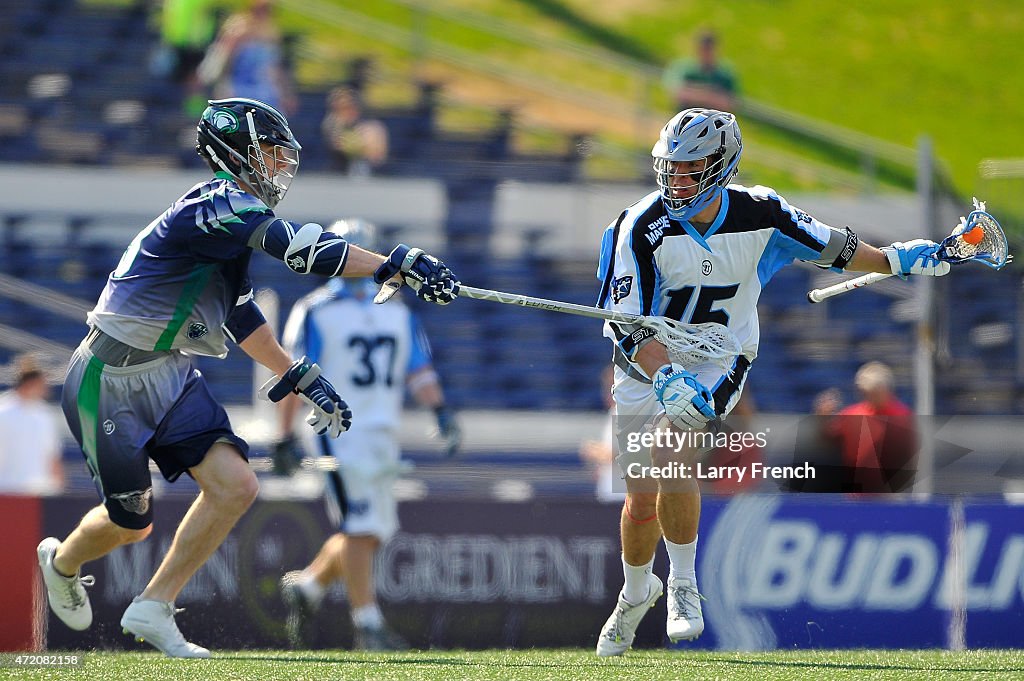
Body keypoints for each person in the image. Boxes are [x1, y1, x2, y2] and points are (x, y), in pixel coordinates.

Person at [35, 97, 459, 658]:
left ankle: (154, 606)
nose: (281, 165)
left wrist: (298, 374)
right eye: (270, 152)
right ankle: (62, 562)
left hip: (170, 372)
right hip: (108, 376)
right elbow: (301, 250)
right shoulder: (215, 204)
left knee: (238, 485)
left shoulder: (230, 224)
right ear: (234, 152)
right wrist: (392, 262)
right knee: (131, 522)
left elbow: (238, 315)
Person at [592, 107, 950, 656]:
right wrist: (664, 377)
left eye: (691, 166)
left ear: (722, 164)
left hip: (720, 353)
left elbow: (837, 248)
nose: (677, 178)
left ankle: (684, 585)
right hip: (647, 357)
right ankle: (636, 592)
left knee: (673, 448)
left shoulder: (764, 212)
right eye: (672, 166)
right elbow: (627, 323)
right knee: (640, 499)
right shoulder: (638, 226)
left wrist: (898, 260)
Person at [276, 218, 461, 651]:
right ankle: (368, 624)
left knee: (373, 529)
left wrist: (440, 410)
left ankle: (308, 587)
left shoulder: (391, 310)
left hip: (382, 429)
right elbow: (293, 373)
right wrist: (282, 435)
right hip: (336, 430)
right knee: (361, 527)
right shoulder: (322, 309)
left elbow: (418, 370)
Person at [820, 362, 918, 493]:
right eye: (866, 393)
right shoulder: (852, 413)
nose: (870, 397)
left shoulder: (902, 416)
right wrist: (822, 417)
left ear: (886, 390)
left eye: (874, 392)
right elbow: (829, 438)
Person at [198, 0, 297, 114]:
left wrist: (286, 93)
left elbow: (275, 68)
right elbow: (223, 58)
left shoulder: (272, 33)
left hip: (265, 92)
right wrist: (220, 84)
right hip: (240, 89)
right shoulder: (239, 29)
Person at [0, 354, 63, 495]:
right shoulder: (3, 411)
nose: (46, 387)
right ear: (31, 382)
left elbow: (52, 454)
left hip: (40, 490)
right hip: (6, 488)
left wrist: (58, 486)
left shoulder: (45, 414)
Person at [578, 365, 625, 503]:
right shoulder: (615, 412)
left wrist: (593, 451)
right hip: (612, 494)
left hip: (622, 496)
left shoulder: (623, 412)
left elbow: (623, 454)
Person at [322, 87, 389, 177]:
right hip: (336, 173)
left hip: (370, 173)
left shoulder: (372, 127)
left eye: (350, 107)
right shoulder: (330, 124)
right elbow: (336, 145)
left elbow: (377, 156)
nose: (348, 112)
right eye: (342, 108)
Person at [662, 32, 738, 112]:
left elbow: (729, 103)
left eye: (709, 49)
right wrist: (710, 96)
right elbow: (677, 93)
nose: (706, 53)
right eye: (704, 49)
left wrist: (694, 93)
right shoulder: (685, 69)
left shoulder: (725, 75)